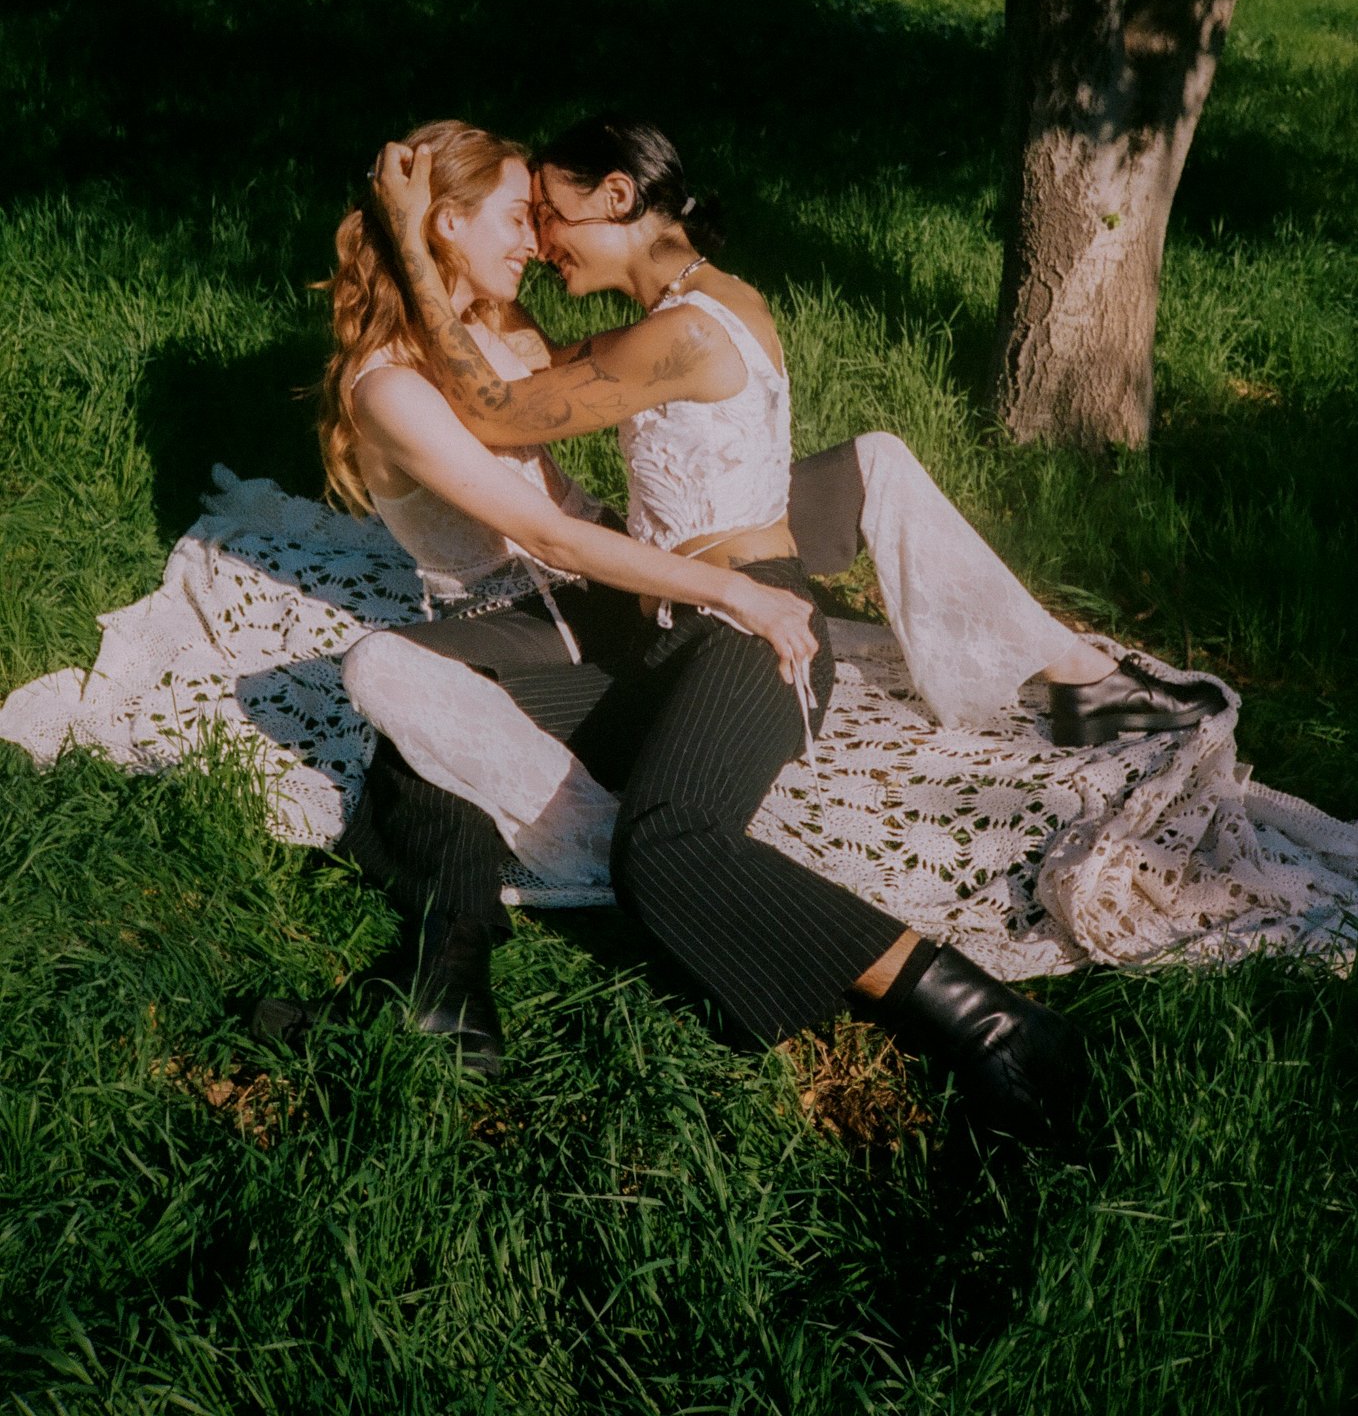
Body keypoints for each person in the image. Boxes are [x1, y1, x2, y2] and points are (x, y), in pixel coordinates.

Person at [299, 116, 1209, 1144]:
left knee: (663, 844)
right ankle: (448, 982)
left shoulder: (679, 328)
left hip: (734, 623)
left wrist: (738, 594)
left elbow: (511, 432)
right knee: (416, 729)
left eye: (545, 213)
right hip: (667, 627)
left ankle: (999, 1027)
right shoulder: (674, 310)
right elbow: (520, 424)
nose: (539, 242)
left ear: (615, 196)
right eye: (520, 217)